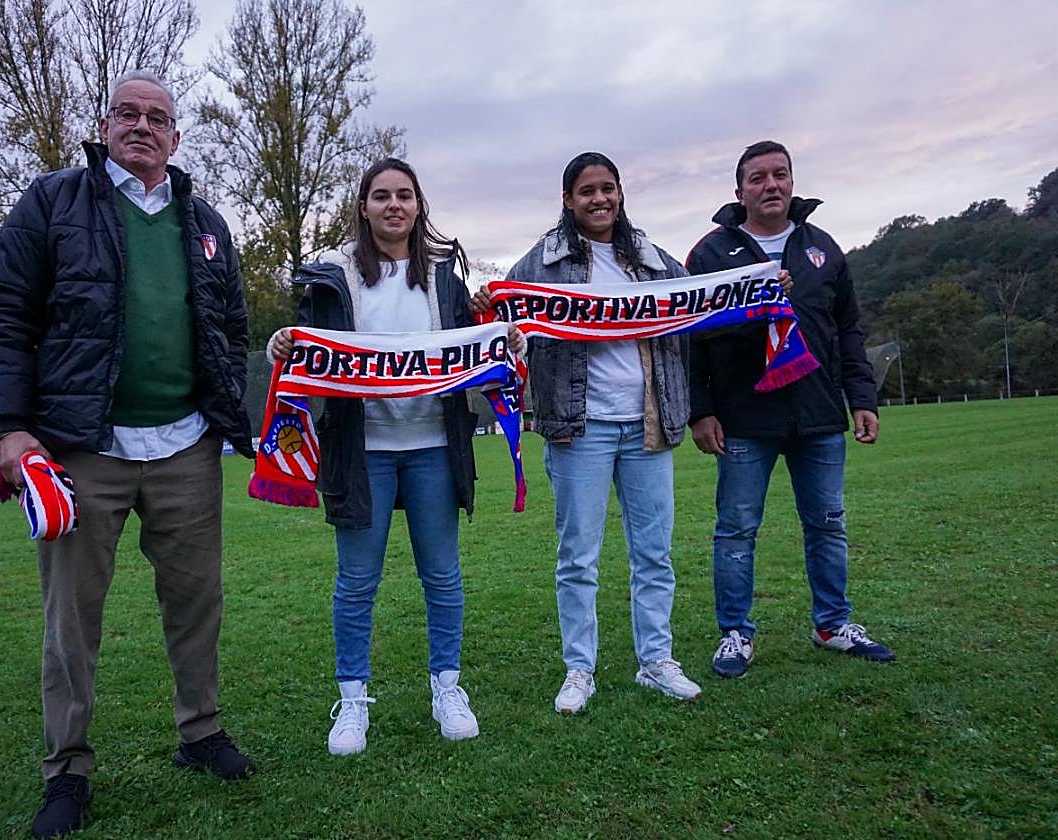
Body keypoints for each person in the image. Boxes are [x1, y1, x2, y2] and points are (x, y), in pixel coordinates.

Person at [0, 70, 256, 838]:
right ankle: (66, 769)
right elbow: (6, 314)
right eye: (127, 114)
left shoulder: (205, 220)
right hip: (80, 450)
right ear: (104, 125)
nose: (142, 126)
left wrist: (224, 409)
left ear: (176, 135)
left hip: (185, 447)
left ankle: (199, 733)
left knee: (197, 603)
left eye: (158, 117)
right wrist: (9, 423)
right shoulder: (51, 203)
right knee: (72, 621)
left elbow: (229, 323)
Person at [270, 158, 516, 755]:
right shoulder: (332, 275)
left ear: (418, 204)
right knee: (356, 582)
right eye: (381, 196)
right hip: (362, 452)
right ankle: (352, 699)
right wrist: (284, 342)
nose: (393, 205)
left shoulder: (446, 275)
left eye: (404, 195)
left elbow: (475, 344)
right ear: (363, 206)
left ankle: (447, 688)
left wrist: (504, 339)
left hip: (434, 445)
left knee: (443, 575)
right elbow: (306, 345)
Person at [474, 151, 702, 714]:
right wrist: (487, 307)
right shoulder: (543, 262)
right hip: (580, 428)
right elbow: (504, 319)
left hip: (649, 421)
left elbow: (710, 297)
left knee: (654, 553)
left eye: (608, 189)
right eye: (586, 191)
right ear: (567, 200)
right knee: (578, 556)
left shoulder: (651, 260)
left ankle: (657, 661)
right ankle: (580, 669)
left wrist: (764, 287)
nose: (599, 199)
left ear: (620, 193)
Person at [685, 140, 896, 680]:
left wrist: (862, 397)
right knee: (735, 527)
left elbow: (847, 330)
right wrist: (701, 410)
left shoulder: (822, 248)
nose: (770, 185)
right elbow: (692, 340)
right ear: (739, 191)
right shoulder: (710, 255)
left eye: (780, 175)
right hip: (744, 416)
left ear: (792, 182)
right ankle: (735, 632)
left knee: (827, 523)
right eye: (757, 178)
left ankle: (831, 623)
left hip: (818, 412)